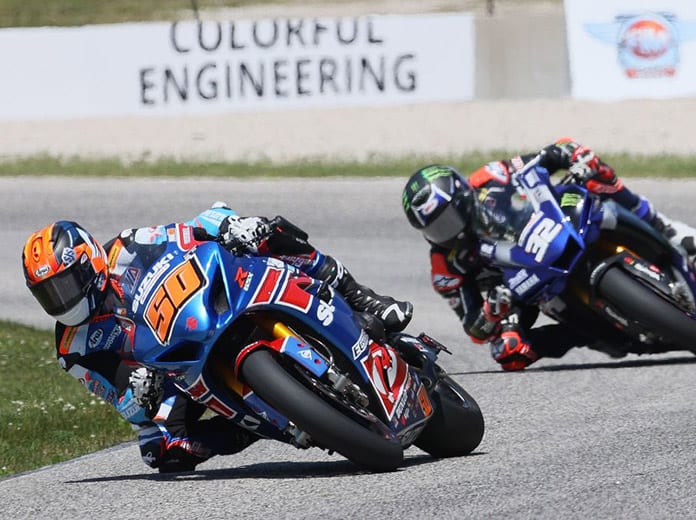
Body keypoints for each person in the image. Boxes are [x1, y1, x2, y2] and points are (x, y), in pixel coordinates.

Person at [21, 203, 412, 472]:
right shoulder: (72, 348)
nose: (63, 299)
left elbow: (185, 232)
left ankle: (361, 295)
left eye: (66, 284)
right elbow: (119, 398)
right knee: (160, 453)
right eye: (49, 293)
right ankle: (267, 420)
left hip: (206, 306)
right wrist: (136, 395)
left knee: (265, 230)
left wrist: (225, 225)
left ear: (89, 260)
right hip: (169, 370)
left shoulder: (127, 246)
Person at [401, 137, 696, 371]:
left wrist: (570, 154)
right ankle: (610, 333)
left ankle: (664, 226)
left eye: (447, 220)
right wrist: (493, 311)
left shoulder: (490, 176)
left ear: (464, 197)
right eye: (435, 229)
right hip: (523, 288)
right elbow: (475, 328)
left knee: (597, 176)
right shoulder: (444, 266)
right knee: (509, 351)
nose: (447, 234)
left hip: (552, 225)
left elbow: (545, 158)